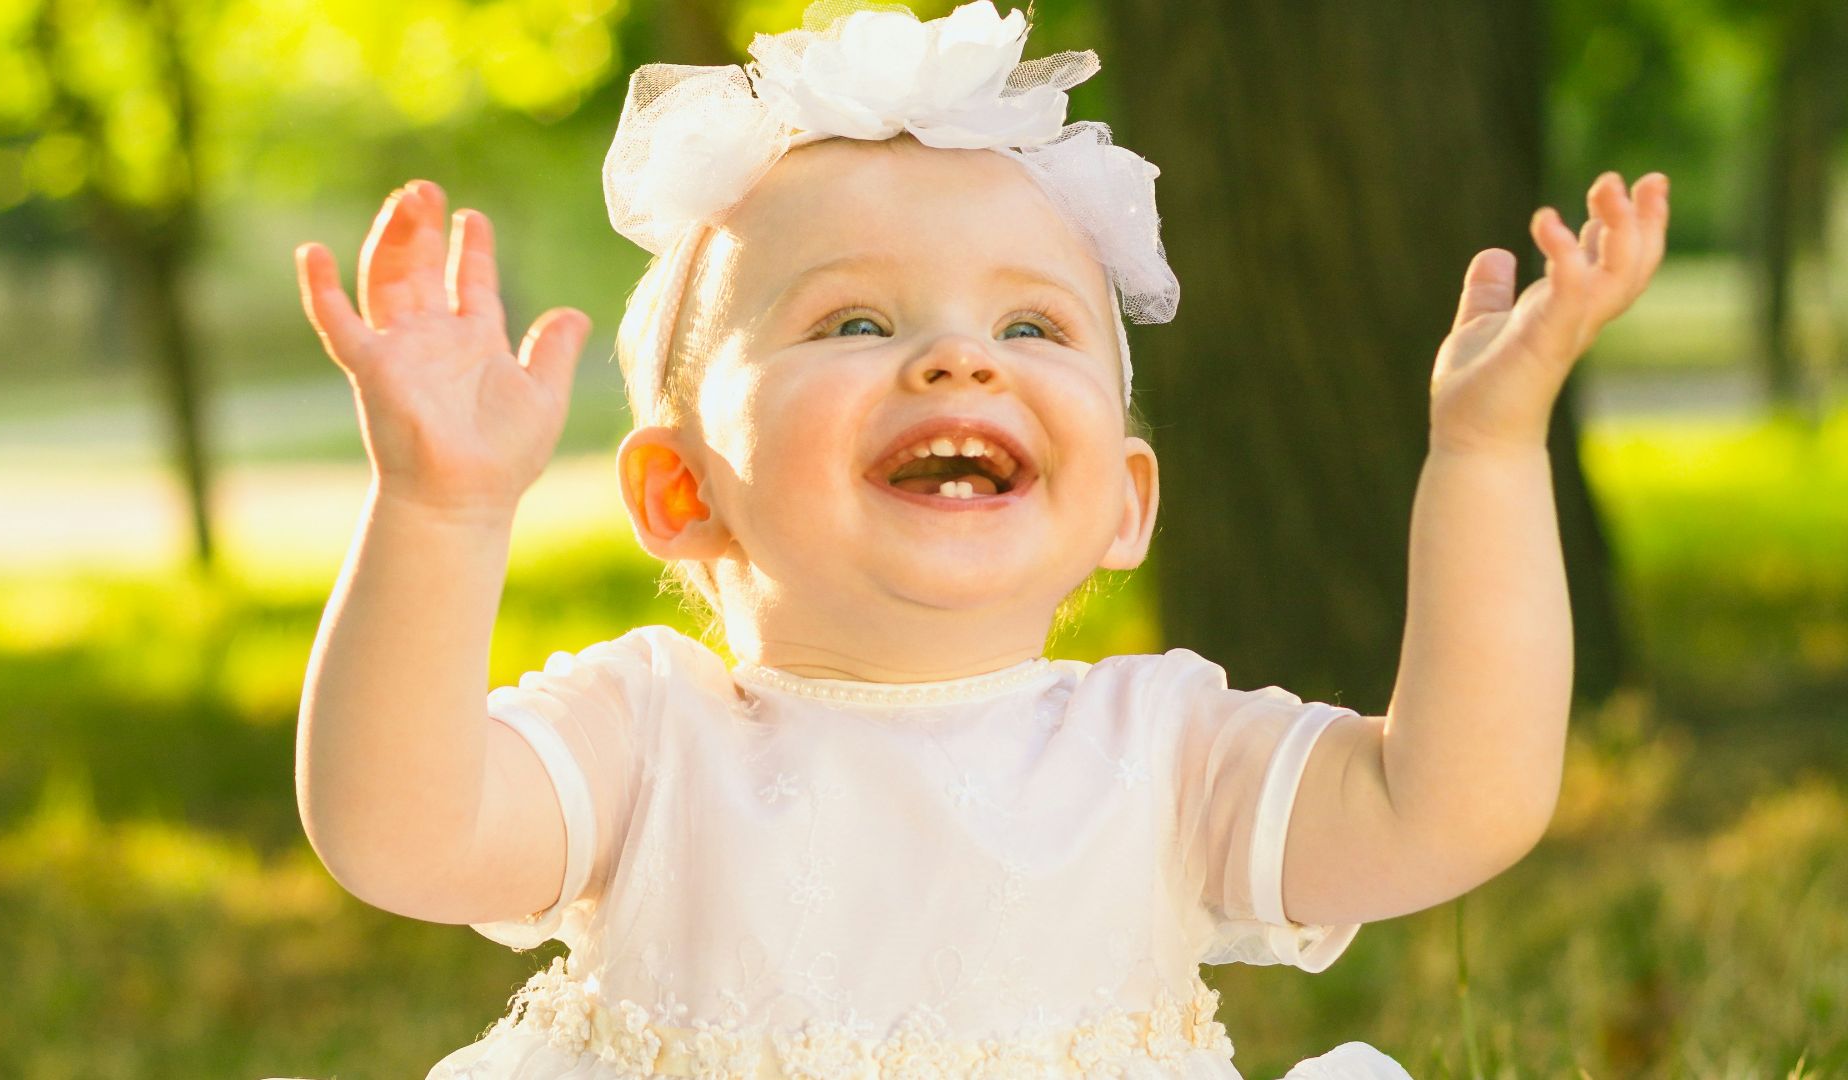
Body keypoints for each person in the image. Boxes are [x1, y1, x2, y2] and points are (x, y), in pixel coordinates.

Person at [291, 3, 1670, 1077]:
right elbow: (396, 835)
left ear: (1127, 501)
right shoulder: (650, 734)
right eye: (853, 321)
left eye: (1032, 327)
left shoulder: (1163, 749)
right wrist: (442, 511)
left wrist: (1487, 456)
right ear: (681, 494)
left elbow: (1450, 809)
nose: (959, 359)